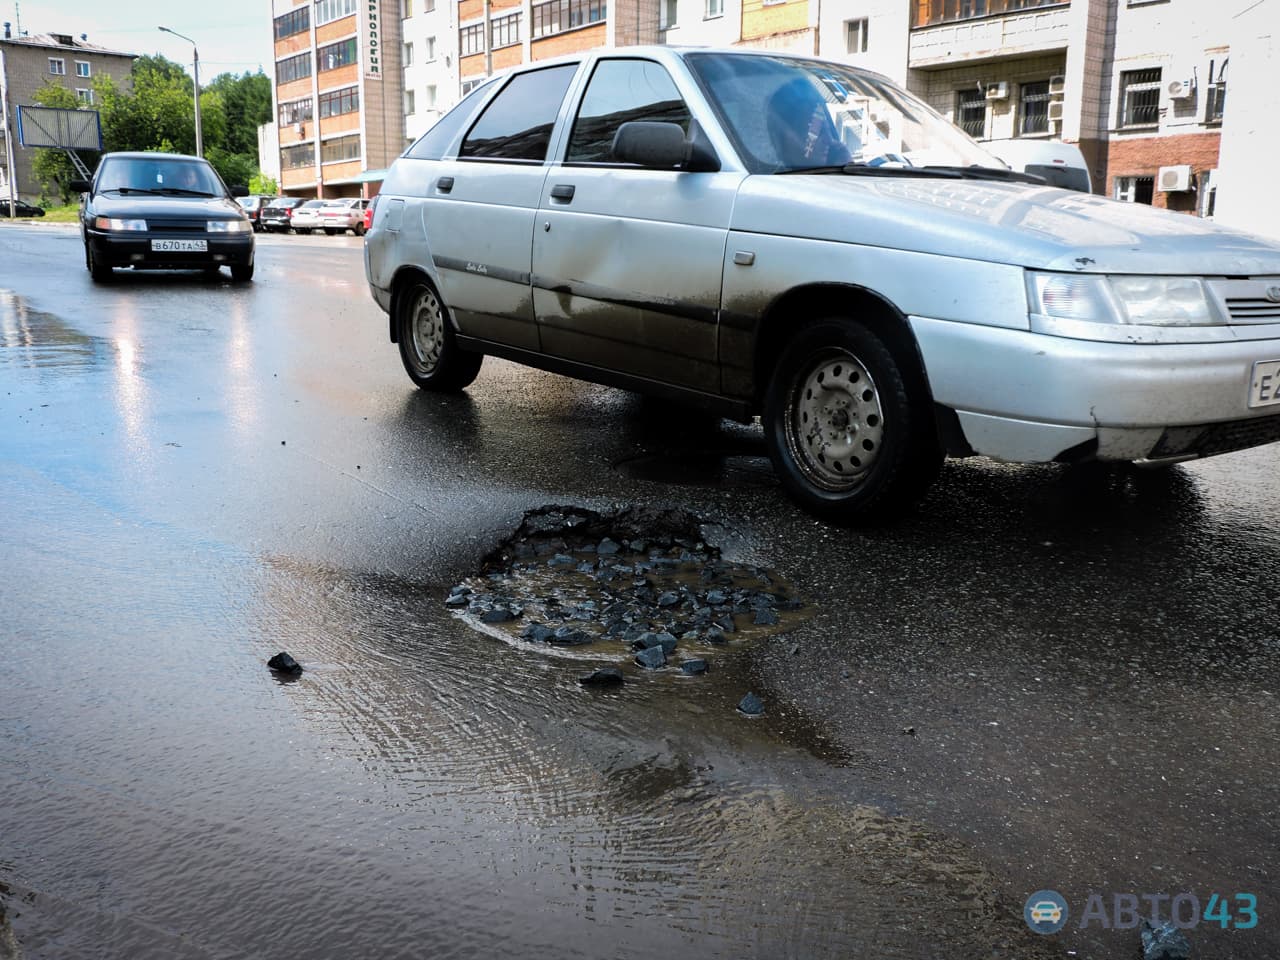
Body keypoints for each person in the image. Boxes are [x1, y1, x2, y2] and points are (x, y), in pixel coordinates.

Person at [766, 77, 851, 170]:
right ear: (787, 136)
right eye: (817, 132)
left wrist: (846, 166)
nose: (829, 140)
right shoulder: (767, 182)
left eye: (829, 131)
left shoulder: (829, 175)